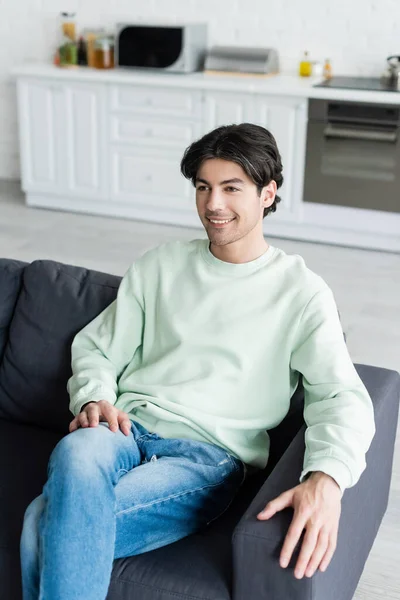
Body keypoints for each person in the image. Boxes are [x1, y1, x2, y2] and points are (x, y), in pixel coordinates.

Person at [20, 123, 376, 600]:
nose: (213, 205)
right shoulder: (160, 265)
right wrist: (95, 396)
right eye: (204, 187)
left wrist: (326, 478)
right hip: (126, 428)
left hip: (206, 458)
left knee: (41, 521)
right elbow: (97, 347)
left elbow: (340, 395)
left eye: (232, 188)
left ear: (268, 194)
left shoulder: (301, 293)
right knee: (76, 449)